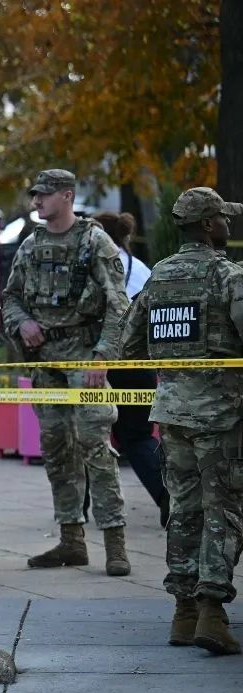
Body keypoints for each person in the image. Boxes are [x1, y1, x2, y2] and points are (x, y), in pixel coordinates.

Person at [117, 187, 243, 656]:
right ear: (208, 226)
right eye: (223, 219)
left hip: (171, 416)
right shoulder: (228, 275)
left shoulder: (158, 279)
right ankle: (212, 611)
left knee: (183, 511)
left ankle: (183, 613)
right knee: (224, 512)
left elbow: (128, 347)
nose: (229, 225)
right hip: (222, 418)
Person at [2, 169, 132, 576]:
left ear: (67, 196)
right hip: (45, 365)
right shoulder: (30, 246)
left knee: (96, 448)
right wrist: (22, 322)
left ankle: (115, 542)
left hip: (84, 360)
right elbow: (9, 299)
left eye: (44, 195)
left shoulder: (95, 242)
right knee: (57, 450)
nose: (36, 201)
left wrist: (102, 357)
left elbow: (118, 305)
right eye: (35, 194)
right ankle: (71, 540)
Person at [93, 210, 168, 526]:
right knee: (133, 436)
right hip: (140, 364)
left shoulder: (107, 267)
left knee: (98, 437)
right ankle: (168, 497)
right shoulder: (141, 269)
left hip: (111, 362)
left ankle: (167, 499)